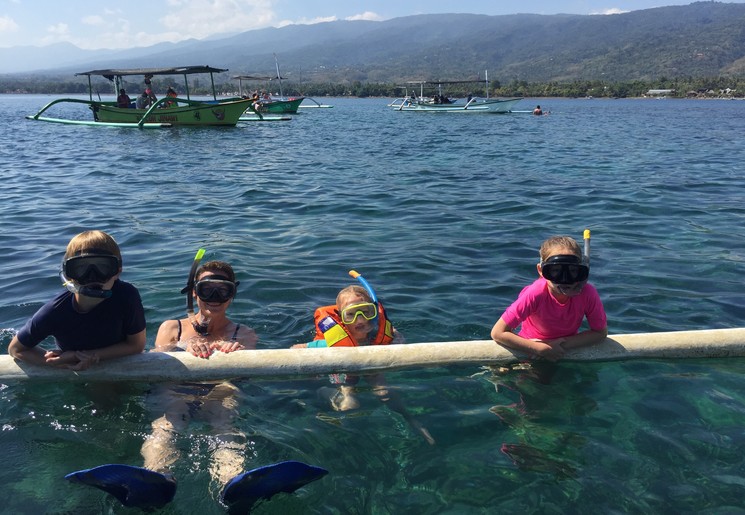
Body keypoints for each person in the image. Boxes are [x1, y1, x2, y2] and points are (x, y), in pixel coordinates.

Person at [141, 259, 257, 488]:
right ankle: (156, 475)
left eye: (223, 290)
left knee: (223, 418)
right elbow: (155, 359)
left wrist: (236, 354)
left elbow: (244, 375)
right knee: (169, 421)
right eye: (207, 289)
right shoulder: (172, 328)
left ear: (232, 295)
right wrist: (183, 347)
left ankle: (230, 480)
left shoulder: (243, 333)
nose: (214, 297)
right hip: (176, 388)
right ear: (195, 293)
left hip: (219, 389)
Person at [292, 272, 435, 445]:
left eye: (366, 312)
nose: (360, 319)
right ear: (341, 319)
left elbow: (394, 333)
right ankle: (328, 400)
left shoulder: (375, 335)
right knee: (350, 403)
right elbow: (297, 349)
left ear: (374, 314)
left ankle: (411, 420)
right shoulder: (330, 342)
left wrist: (397, 338)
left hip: (370, 366)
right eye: (351, 314)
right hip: (343, 373)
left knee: (385, 392)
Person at [8, 230, 146, 370]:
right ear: (69, 275)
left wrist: (85, 355)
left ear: (117, 271)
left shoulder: (126, 295)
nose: (93, 277)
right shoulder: (56, 310)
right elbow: (16, 349)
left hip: (117, 363)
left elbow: (136, 345)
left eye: (103, 267)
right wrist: (59, 363)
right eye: (81, 268)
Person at [490, 235, 607, 361]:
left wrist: (557, 345)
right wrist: (539, 348)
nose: (564, 279)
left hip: (562, 349)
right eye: (555, 270)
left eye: (573, 271)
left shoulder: (587, 293)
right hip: (530, 349)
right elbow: (498, 332)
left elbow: (600, 333)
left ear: (582, 272)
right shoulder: (536, 293)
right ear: (541, 270)